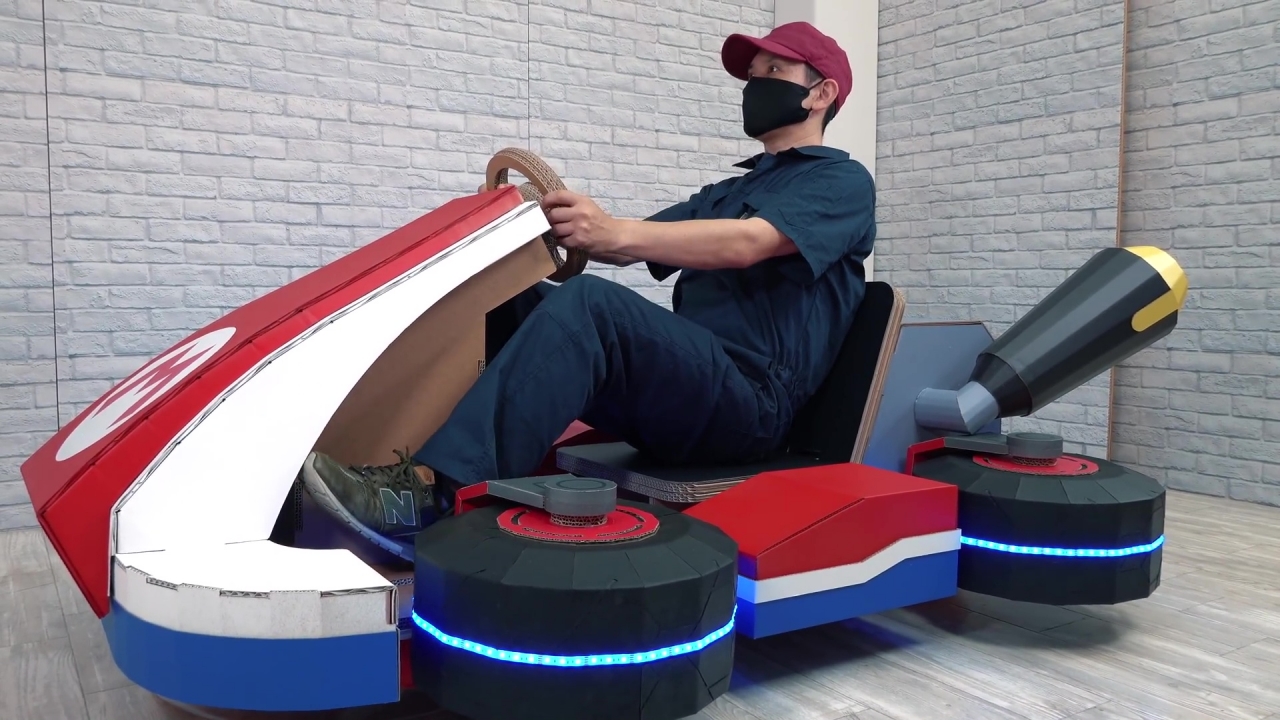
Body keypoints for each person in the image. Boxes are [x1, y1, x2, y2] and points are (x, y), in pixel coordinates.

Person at [301, 21, 878, 557]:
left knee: (593, 305)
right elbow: (621, 241)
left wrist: (613, 232)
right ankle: (399, 464)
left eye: (773, 72)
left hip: (750, 405)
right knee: (508, 296)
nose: (755, 86)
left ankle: (432, 498)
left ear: (821, 93)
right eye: (752, 76)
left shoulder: (841, 182)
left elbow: (748, 242)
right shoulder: (729, 191)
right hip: (692, 394)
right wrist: (534, 222)